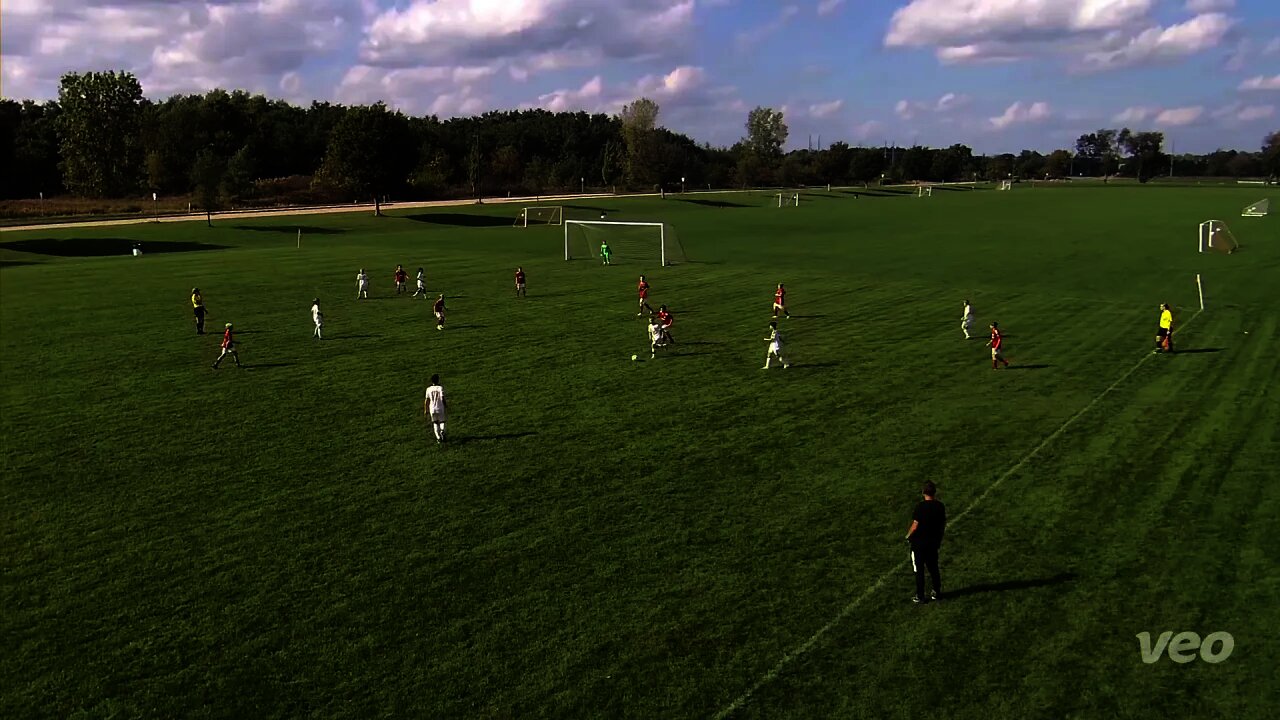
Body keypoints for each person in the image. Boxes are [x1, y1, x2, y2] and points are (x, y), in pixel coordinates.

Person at [906, 481, 946, 604]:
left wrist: (908, 536)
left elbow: (915, 526)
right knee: (933, 568)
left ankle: (920, 595)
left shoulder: (920, 507)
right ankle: (937, 592)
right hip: (933, 542)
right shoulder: (940, 506)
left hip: (919, 543)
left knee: (919, 570)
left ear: (923, 492)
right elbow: (942, 524)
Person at [423, 373, 448, 444]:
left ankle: (438, 438)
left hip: (432, 408)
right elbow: (442, 398)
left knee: (435, 422)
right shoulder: (440, 388)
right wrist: (445, 405)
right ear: (438, 380)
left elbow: (426, 400)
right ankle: (442, 431)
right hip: (440, 407)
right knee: (442, 421)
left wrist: (426, 409)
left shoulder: (428, 389)